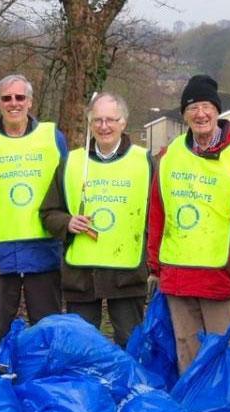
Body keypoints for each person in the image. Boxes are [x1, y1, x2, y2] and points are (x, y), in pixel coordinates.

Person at [147, 74, 230, 373]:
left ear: (217, 110)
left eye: (207, 106)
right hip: (178, 279)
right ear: (184, 114)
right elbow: (158, 213)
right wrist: (155, 267)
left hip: (223, 279)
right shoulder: (170, 156)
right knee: (189, 360)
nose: (200, 114)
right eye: (192, 107)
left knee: (228, 363)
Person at [41, 92, 153, 347]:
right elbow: (48, 213)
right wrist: (66, 222)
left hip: (128, 276)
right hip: (81, 276)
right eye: (98, 120)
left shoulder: (144, 162)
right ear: (90, 123)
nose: (104, 127)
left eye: (111, 120)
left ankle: (130, 388)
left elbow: (158, 216)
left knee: (131, 347)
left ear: (123, 122)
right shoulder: (71, 162)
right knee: (80, 348)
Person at [0, 74, 68, 349]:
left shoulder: (53, 137)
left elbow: (65, 187)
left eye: (20, 97)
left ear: (30, 101)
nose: (14, 103)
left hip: (42, 250)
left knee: (47, 330)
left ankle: (45, 384)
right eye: (7, 98)